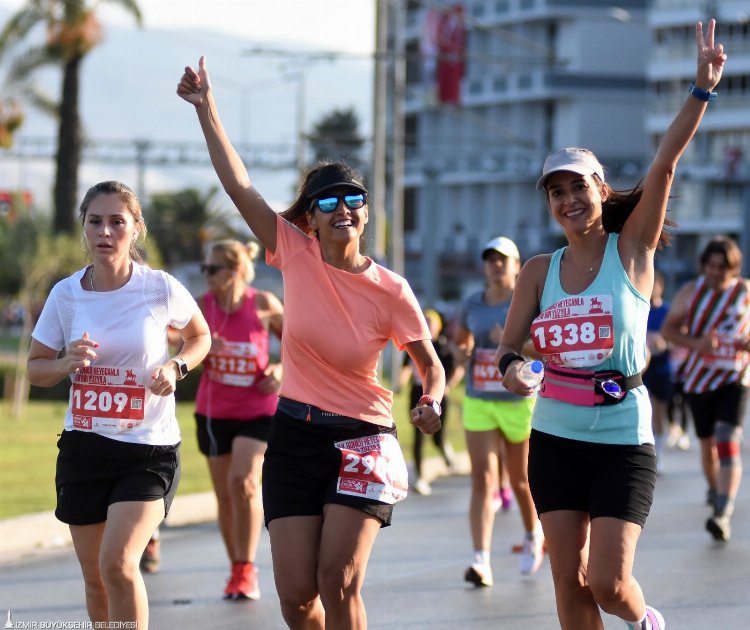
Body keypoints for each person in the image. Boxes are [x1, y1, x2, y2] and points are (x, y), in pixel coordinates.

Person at [178, 57, 445, 629]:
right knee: (297, 597)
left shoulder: (392, 290)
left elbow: (428, 362)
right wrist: (207, 110)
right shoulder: (291, 253)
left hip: (363, 440)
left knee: (338, 580)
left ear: (365, 213)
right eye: (327, 203)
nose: (342, 209)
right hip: (294, 435)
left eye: (352, 199)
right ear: (311, 220)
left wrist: (432, 400)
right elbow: (239, 184)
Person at [495, 20, 725, 630]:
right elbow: (506, 348)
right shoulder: (538, 270)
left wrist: (700, 91)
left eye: (578, 186)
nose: (567, 199)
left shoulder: (632, 252)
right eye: (556, 192)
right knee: (566, 581)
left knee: (606, 582)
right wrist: (515, 371)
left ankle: (643, 619)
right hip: (554, 437)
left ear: (600, 189)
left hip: (622, 435)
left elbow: (665, 163)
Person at [27, 181, 211, 629]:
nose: (105, 231)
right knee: (95, 579)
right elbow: (35, 368)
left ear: (136, 229)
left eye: (117, 222)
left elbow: (200, 336)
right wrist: (65, 362)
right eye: (95, 221)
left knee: (119, 563)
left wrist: (176, 368)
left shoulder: (159, 288)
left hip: (147, 451)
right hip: (84, 449)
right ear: (84, 228)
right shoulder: (66, 295)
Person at [195, 238, 284, 599]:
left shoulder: (262, 304)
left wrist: (280, 368)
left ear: (233, 272)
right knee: (225, 497)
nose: (206, 276)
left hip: (258, 411)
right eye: (204, 269)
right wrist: (199, 347)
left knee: (244, 482)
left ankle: (247, 570)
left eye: (213, 269)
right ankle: (236, 570)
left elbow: (299, 345)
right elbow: (176, 346)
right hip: (214, 414)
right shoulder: (201, 308)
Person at [454, 235, 544, 587]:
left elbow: (543, 349)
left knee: (520, 480)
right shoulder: (472, 303)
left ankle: (533, 534)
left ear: (517, 266)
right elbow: (460, 339)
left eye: (503, 259)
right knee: (483, 480)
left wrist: (512, 343)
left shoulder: (526, 303)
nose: (496, 265)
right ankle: (480, 560)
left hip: (517, 401)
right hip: (479, 398)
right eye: (490, 259)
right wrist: (461, 353)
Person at [660, 236, 749, 542]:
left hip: (734, 377)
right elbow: (668, 330)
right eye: (711, 266)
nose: (716, 273)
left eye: (723, 268)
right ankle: (715, 489)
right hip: (698, 380)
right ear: (703, 266)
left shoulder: (745, 292)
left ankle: (722, 512)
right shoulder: (689, 293)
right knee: (707, 446)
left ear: (734, 269)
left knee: (727, 438)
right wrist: (696, 343)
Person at [398, 308, 461, 496]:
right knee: (417, 435)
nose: (428, 326)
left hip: (439, 395)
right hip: (417, 391)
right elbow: (407, 368)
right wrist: (401, 383)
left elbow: (456, 369)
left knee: (436, 435)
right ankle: (420, 477)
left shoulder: (443, 347)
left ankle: (444, 449)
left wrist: (448, 386)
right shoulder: (413, 344)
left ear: (438, 327)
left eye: (431, 323)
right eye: (425, 322)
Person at [643, 270, 673, 473]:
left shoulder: (668, 311)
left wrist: (664, 343)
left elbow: (678, 337)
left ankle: (659, 455)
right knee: (648, 411)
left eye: (657, 284)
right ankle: (650, 456)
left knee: (659, 413)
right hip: (644, 367)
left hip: (662, 367)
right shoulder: (640, 308)